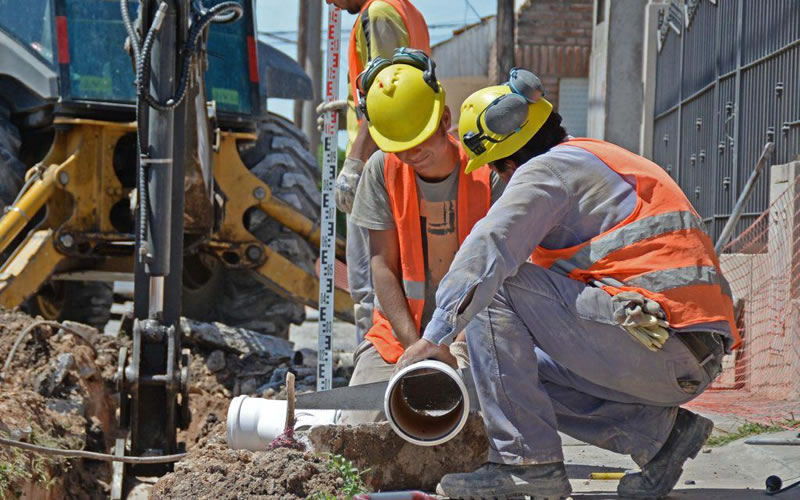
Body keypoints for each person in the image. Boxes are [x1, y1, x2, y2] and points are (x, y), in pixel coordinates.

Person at [397, 69, 740, 499]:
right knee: (508, 373)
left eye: (497, 171)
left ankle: (527, 465)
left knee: (499, 283)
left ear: (505, 161)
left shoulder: (546, 171)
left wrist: (435, 337)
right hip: (679, 351)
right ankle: (660, 436)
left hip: (662, 342)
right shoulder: (589, 159)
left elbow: (491, 247)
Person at [338, 50, 505, 424]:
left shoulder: (487, 174)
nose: (412, 154)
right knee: (356, 429)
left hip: (476, 333)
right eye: (400, 145)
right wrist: (416, 348)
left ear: (445, 119)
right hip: (399, 335)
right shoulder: (383, 170)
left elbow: (499, 272)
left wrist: (456, 348)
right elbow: (382, 266)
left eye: (420, 140)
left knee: (485, 428)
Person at [319, 0, 430, 343]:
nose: (329, 3)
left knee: (368, 288)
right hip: (396, 160)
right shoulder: (403, 8)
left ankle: (372, 369)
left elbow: (388, 98)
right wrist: (352, 106)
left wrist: (353, 164)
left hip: (378, 168)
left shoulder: (378, 13)